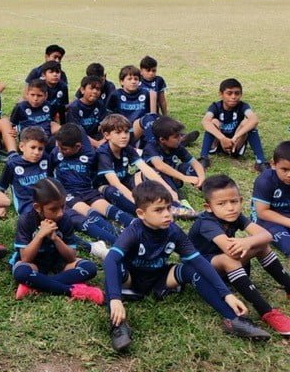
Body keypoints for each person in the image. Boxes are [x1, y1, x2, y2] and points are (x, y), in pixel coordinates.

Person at [105, 180, 270, 352]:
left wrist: (226, 294)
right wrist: (116, 298)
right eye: (159, 210)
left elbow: (199, 262)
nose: (167, 214)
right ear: (141, 213)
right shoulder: (134, 231)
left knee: (191, 269)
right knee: (114, 265)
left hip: (159, 278)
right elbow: (111, 260)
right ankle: (118, 326)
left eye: (169, 208)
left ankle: (233, 320)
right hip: (131, 279)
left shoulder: (174, 231)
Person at [189, 174, 290, 335]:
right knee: (231, 258)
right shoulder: (207, 223)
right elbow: (231, 250)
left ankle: (288, 285)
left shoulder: (235, 216)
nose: (230, 208)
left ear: (241, 200)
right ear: (208, 207)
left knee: (262, 246)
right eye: (221, 203)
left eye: (234, 201)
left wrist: (248, 242)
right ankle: (267, 312)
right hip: (204, 272)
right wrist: (248, 242)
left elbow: (267, 236)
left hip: (226, 267)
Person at [11, 178, 105, 303]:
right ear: (38, 207)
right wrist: (40, 235)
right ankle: (72, 290)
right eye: (53, 209)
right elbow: (25, 258)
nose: (60, 213)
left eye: (62, 207)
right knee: (21, 273)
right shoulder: (26, 220)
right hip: (34, 264)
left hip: (58, 262)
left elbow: (71, 257)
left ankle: (37, 284)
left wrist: (56, 239)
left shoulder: (64, 219)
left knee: (89, 268)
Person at [50, 123, 134, 246]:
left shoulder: (90, 155)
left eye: (65, 149)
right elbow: (49, 173)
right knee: (89, 212)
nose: (61, 151)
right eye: (59, 147)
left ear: (78, 146)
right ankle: (117, 235)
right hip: (68, 193)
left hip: (88, 191)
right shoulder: (55, 153)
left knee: (109, 209)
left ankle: (137, 225)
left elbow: (98, 174)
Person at [95, 114, 186, 217]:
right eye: (118, 133)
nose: (124, 136)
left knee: (153, 173)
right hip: (105, 187)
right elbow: (116, 184)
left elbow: (146, 169)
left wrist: (169, 190)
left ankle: (176, 206)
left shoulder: (127, 148)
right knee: (112, 191)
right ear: (107, 135)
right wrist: (138, 203)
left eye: (126, 132)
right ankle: (148, 212)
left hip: (124, 180)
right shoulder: (103, 153)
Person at [198, 78, 268, 172]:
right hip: (219, 143)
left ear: (241, 94)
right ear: (221, 94)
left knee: (248, 123)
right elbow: (205, 121)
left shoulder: (243, 106)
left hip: (236, 144)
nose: (233, 96)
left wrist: (235, 137)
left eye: (237, 93)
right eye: (229, 93)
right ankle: (204, 158)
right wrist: (223, 138)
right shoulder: (215, 106)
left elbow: (254, 120)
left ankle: (260, 162)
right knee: (213, 121)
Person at [143, 116, 206, 204]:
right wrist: (184, 177)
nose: (180, 138)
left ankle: (209, 190)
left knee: (187, 167)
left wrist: (202, 178)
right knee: (162, 176)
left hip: (174, 176)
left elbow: (195, 163)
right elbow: (160, 166)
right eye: (176, 137)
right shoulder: (150, 148)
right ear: (162, 140)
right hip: (156, 180)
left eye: (180, 135)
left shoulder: (177, 147)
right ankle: (181, 204)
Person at [251, 141, 290, 256]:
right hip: (266, 219)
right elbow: (262, 212)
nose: (289, 175)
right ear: (273, 164)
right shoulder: (265, 181)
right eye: (284, 169)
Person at [107, 66, 157, 142]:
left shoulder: (145, 94)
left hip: (141, 129)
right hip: (122, 130)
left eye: (136, 79)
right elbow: (109, 116)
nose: (133, 81)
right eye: (129, 79)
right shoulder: (115, 95)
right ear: (122, 81)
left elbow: (152, 115)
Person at [9, 79, 60, 144]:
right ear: (27, 94)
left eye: (39, 95)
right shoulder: (20, 107)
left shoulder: (49, 106)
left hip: (47, 139)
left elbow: (54, 119)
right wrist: (14, 132)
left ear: (46, 96)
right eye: (32, 95)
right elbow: (12, 124)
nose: (35, 99)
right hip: (29, 140)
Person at [66, 76, 108, 149]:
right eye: (91, 88)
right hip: (78, 141)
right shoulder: (74, 107)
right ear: (82, 90)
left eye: (98, 89)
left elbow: (104, 125)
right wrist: (96, 144)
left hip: (95, 137)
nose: (95, 91)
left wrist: (105, 139)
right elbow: (77, 132)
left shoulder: (100, 105)